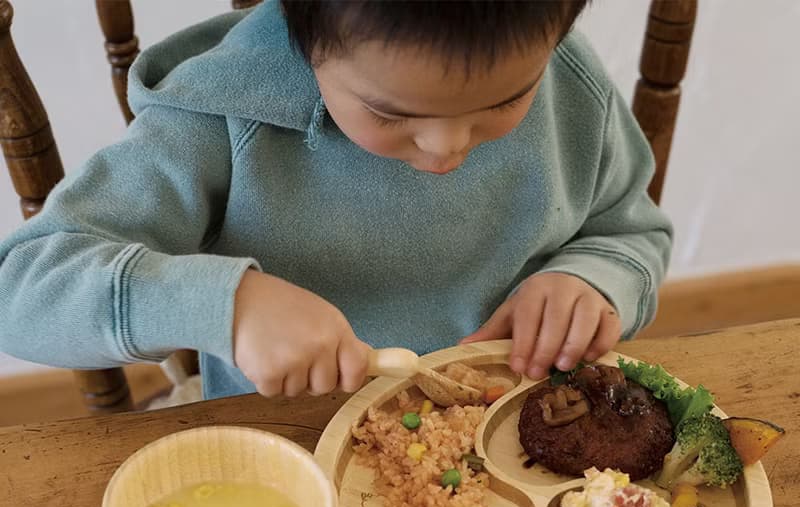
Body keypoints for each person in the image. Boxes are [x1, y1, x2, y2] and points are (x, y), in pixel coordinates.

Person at [0, 0, 671, 401]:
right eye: (391, 112)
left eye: (504, 101)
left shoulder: (570, 83)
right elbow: (21, 286)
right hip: (289, 447)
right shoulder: (221, 114)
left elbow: (631, 232)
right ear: (305, 36)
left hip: (513, 431)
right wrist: (227, 306)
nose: (446, 149)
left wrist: (594, 280)